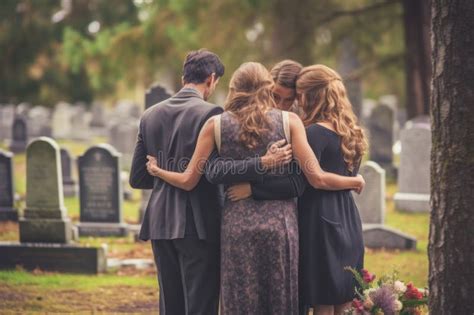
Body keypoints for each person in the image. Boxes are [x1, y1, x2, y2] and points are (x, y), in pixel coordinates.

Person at [146, 62, 365, 314]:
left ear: (233, 88)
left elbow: (213, 173)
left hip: (237, 225)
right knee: (282, 299)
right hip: (280, 224)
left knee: (240, 299)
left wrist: (253, 177)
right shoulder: (291, 122)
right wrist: (264, 162)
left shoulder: (216, 124)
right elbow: (304, 178)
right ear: (267, 88)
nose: (282, 102)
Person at [129, 50, 292, 315]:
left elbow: (138, 178)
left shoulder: (150, 115)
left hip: (159, 222)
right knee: (201, 305)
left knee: (170, 305)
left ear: (184, 77)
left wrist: (162, 172)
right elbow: (215, 172)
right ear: (212, 79)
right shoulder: (212, 115)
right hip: (199, 223)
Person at [296, 65, 368, 315]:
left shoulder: (313, 133)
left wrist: (355, 181)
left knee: (324, 298)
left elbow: (317, 179)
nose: (297, 99)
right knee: (344, 298)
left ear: (312, 95)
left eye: (299, 93)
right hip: (347, 216)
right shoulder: (352, 133)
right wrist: (354, 181)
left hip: (320, 219)